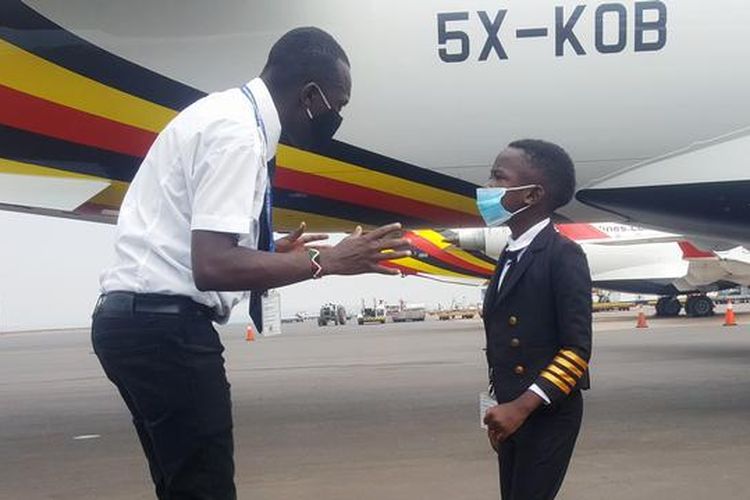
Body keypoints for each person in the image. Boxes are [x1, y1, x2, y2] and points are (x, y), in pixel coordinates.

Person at [91, 27, 410, 500]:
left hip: (137, 322)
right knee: (206, 488)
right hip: (166, 331)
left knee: (183, 486)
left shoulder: (224, 115)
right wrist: (328, 261)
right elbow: (213, 266)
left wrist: (269, 252)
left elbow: (200, 243)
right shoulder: (238, 134)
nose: (335, 117)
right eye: (337, 106)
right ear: (309, 94)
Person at [479, 139, 592, 500]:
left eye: (499, 178)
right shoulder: (511, 252)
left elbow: (576, 352)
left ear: (532, 195)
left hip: (543, 412)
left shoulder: (563, 255)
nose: (488, 188)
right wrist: (500, 408)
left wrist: (521, 407)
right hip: (509, 411)